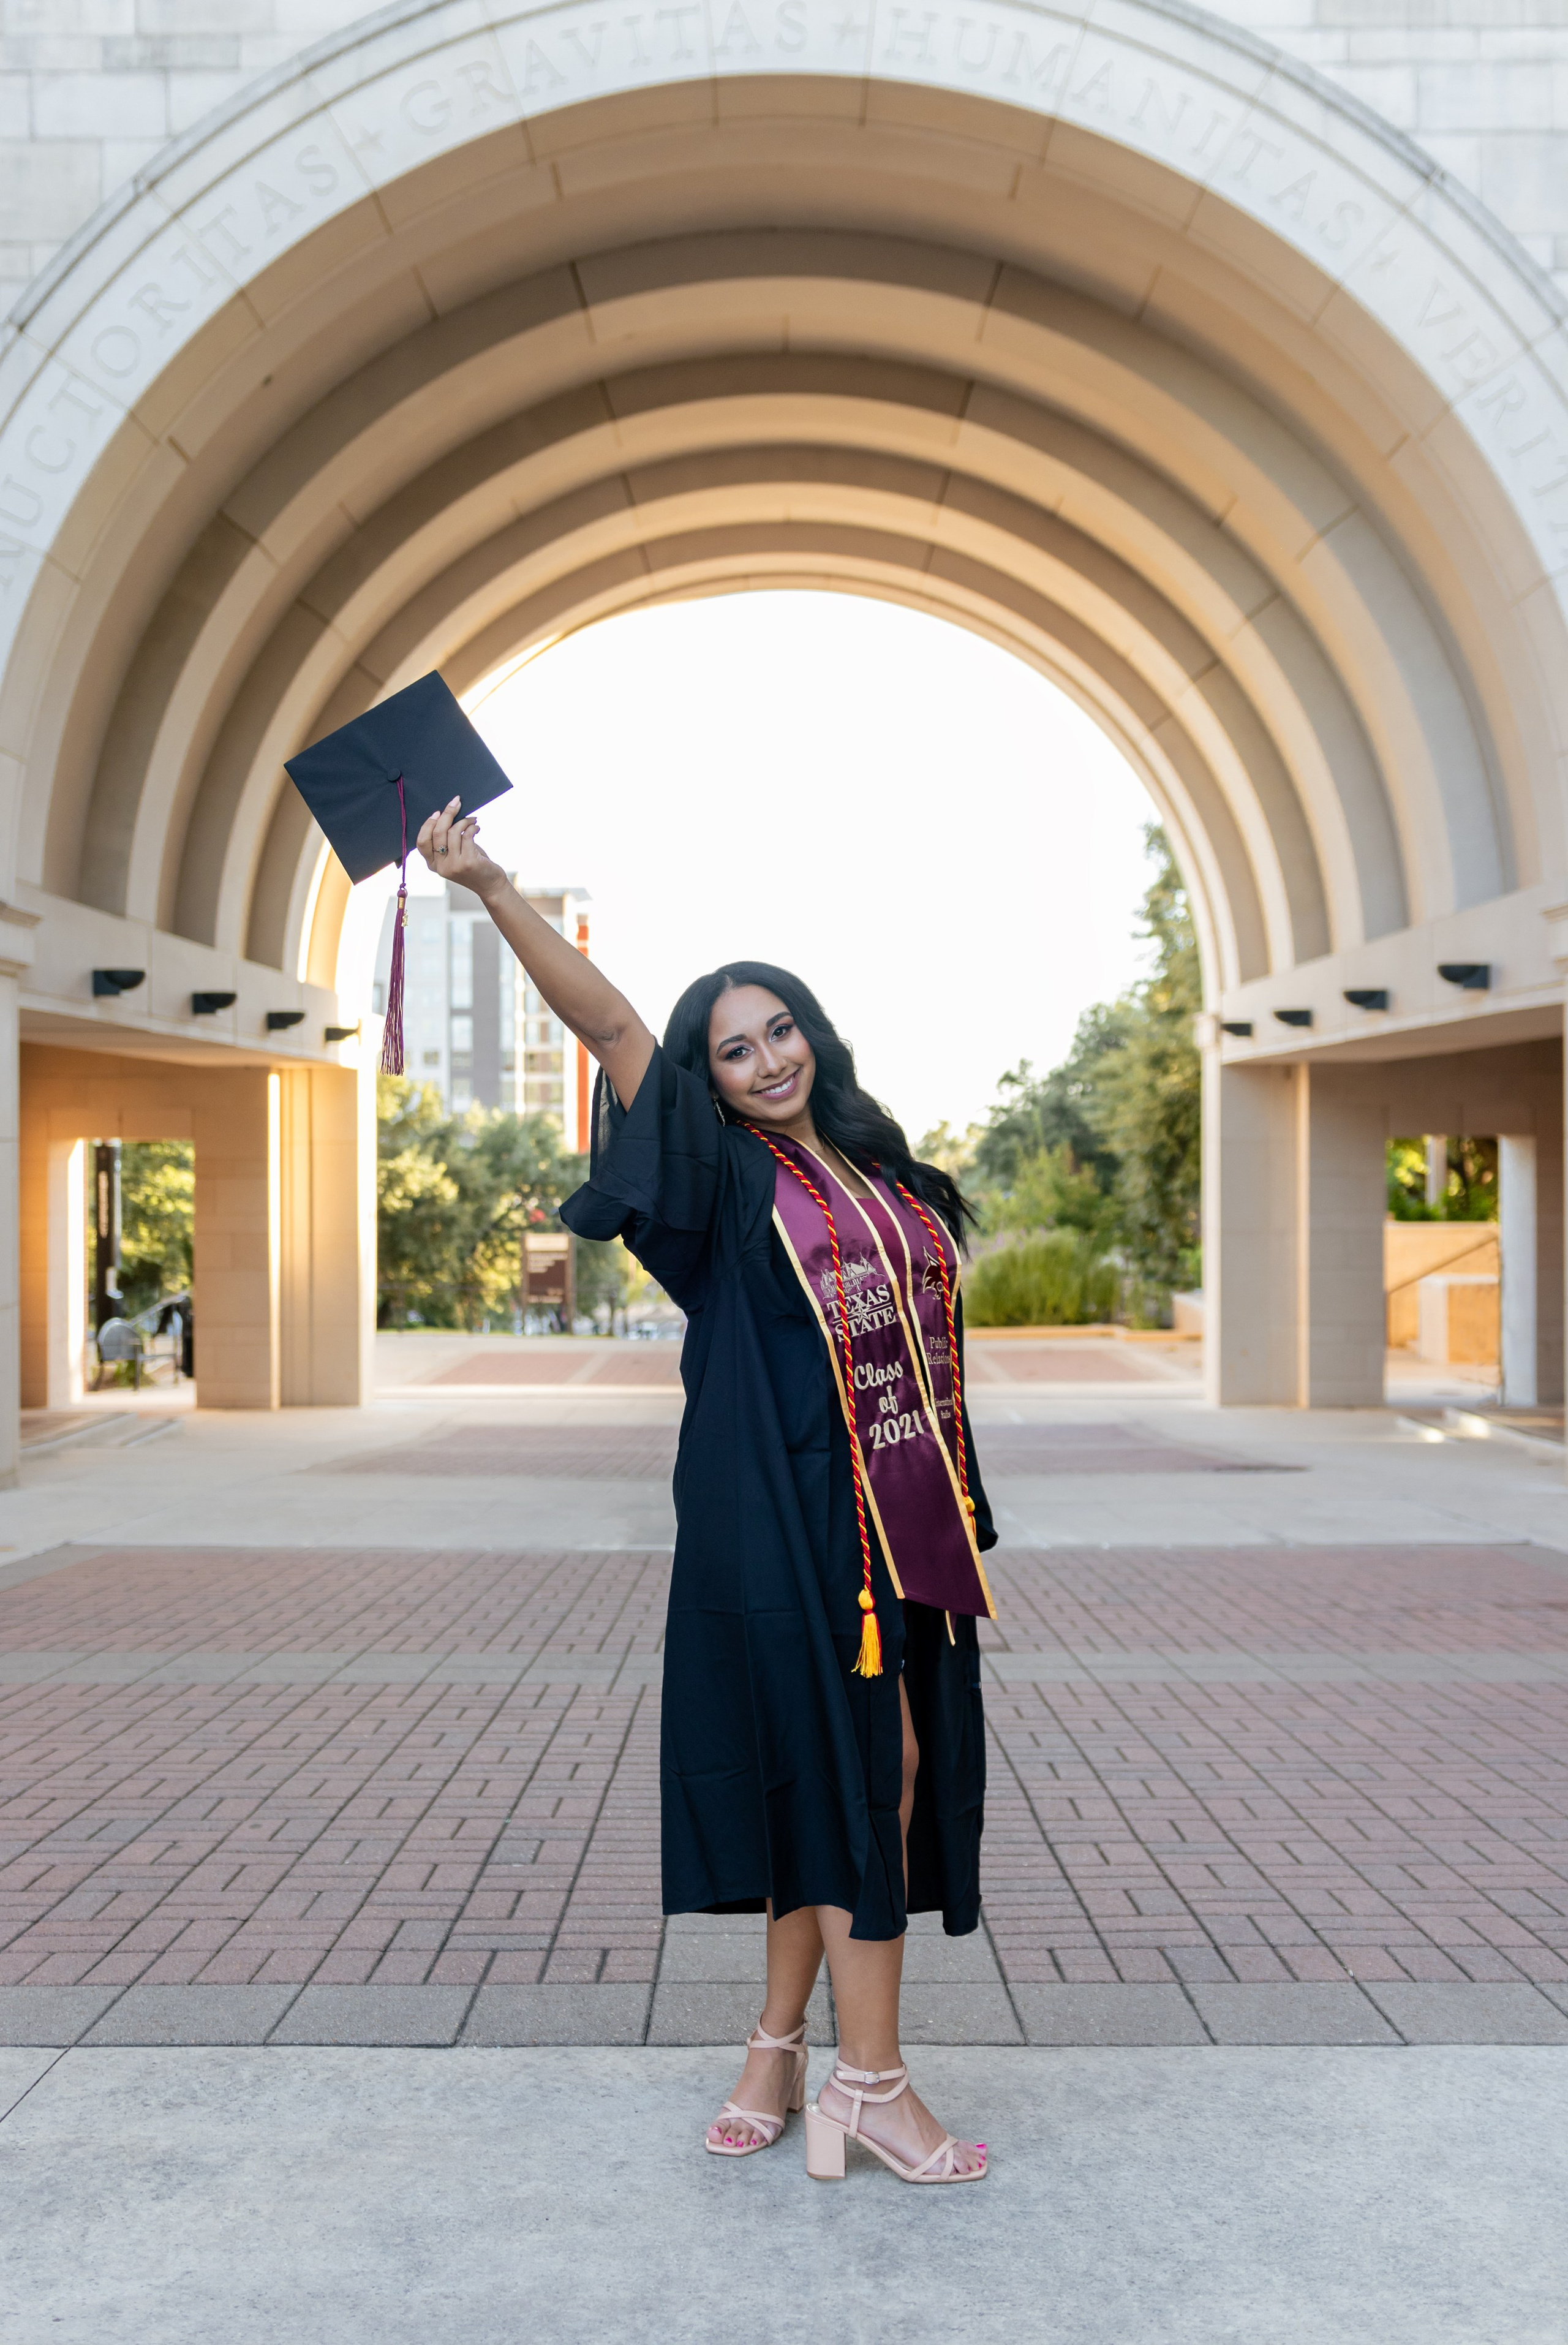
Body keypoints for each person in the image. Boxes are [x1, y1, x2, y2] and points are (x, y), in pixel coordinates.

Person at [418, 793, 996, 2187]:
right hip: (786, 1532)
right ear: (711, 1080)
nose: (763, 1059)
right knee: (860, 1786)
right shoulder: (725, 1186)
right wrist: (493, 888)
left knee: (846, 1785)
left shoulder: (881, 1170)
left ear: (813, 1033)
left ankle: (771, 2052)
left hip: (902, 1530)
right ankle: (872, 2088)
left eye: (777, 1029)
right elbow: (614, 1031)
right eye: (732, 1049)